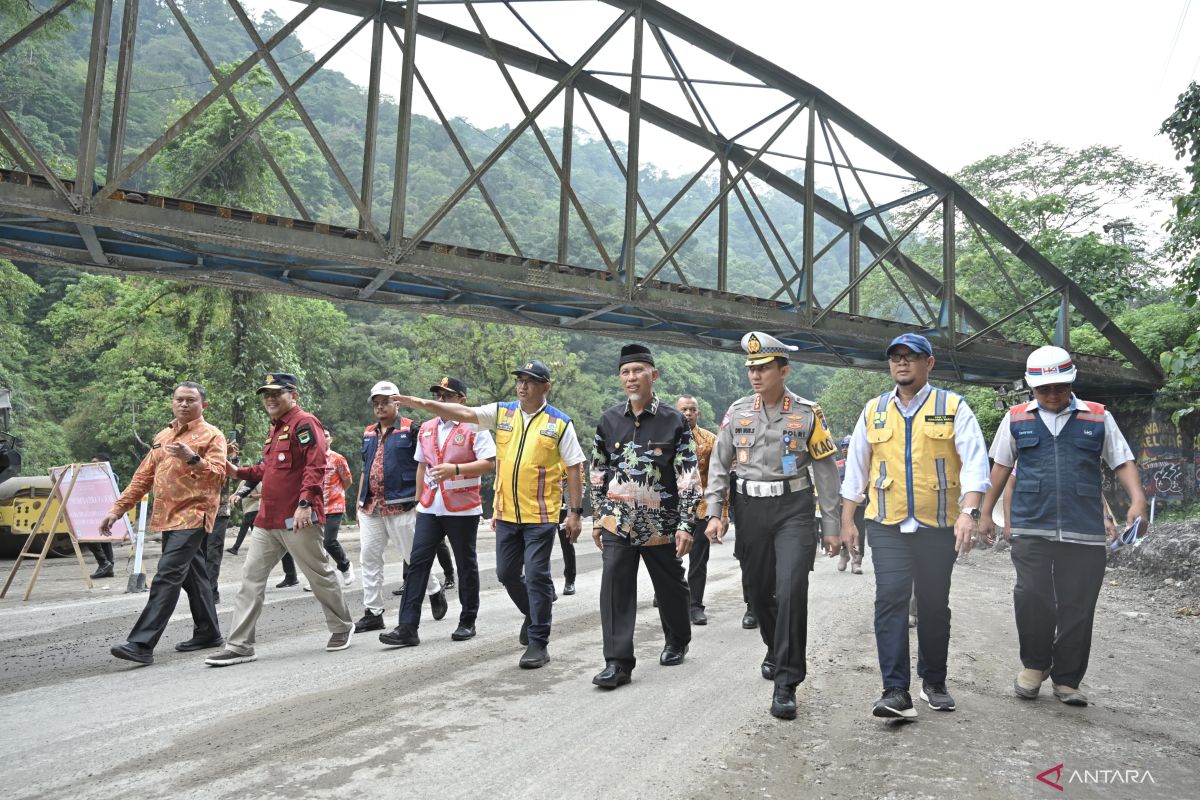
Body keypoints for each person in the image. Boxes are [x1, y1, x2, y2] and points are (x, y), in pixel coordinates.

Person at [978, 346, 1148, 707]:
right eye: (1043, 389)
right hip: (1031, 525)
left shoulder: (1099, 417)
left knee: (1078, 604)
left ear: (1071, 382)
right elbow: (1001, 468)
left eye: (1059, 387)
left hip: (1084, 528)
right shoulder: (1016, 418)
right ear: (1031, 388)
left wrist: (1138, 500)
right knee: (1031, 595)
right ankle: (1034, 666)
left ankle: (1067, 678)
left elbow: (1123, 461)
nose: (1052, 395)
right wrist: (984, 513)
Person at [390, 359, 586, 669]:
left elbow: (575, 467)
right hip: (506, 512)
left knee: (536, 576)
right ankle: (535, 611)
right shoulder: (502, 412)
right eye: (519, 380)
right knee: (506, 574)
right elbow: (464, 413)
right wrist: (418, 403)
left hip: (541, 514)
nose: (522, 386)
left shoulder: (560, 423)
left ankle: (538, 641)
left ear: (545, 387)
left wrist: (575, 512)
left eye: (530, 381)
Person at [839, 333, 991, 720]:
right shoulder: (874, 410)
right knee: (889, 598)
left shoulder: (953, 407)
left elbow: (976, 464)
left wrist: (968, 513)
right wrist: (847, 522)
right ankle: (894, 690)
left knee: (933, 603)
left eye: (911, 357)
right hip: (887, 523)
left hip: (938, 524)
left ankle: (934, 681)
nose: (902, 363)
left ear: (930, 363)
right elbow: (856, 469)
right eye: (895, 358)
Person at [704, 332, 842, 720]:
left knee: (792, 587)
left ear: (784, 369)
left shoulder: (808, 411)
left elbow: (825, 469)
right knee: (759, 592)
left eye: (764, 367)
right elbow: (719, 463)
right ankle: (774, 645)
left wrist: (831, 523)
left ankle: (787, 681)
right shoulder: (737, 411)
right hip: (751, 509)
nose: (755, 374)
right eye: (751, 368)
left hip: (794, 510)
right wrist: (716, 511)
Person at [204, 373, 355, 666]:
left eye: (277, 393)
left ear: (293, 395)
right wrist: (238, 473)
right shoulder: (275, 429)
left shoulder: (305, 423)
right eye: (266, 395)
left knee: (319, 574)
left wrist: (305, 504)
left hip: (298, 517)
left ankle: (342, 626)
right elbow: (269, 469)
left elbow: (316, 466)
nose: (270, 399)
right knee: (251, 578)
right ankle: (240, 645)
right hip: (266, 518)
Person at [588, 345, 699, 689]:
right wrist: (598, 517)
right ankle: (617, 663)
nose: (632, 377)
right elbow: (597, 472)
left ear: (654, 374)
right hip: (617, 522)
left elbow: (688, 476)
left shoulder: (674, 420)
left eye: (638, 370)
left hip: (661, 526)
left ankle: (678, 639)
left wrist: (685, 524)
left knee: (670, 587)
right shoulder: (608, 420)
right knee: (615, 588)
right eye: (625, 372)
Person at [102, 382, 227, 665]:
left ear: (203, 405)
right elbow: (143, 476)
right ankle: (208, 633)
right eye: (179, 399)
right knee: (194, 578)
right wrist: (117, 510)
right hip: (167, 517)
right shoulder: (163, 435)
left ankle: (142, 644)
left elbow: (219, 475)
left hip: (194, 514)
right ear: (172, 403)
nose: (184, 404)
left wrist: (193, 459)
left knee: (167, 575)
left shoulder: (212, 435)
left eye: (190, 400)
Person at [380, 377, 495, 646]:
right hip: (431, 507)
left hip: (462, 508)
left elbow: (488, 463)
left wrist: (455, 470)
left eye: (447, 395)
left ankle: (468, 620)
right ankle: (407, 627)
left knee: (465, 564)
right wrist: (419, 501)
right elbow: (421, 465)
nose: (441, 400)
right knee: (417, 563)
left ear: (461, 401)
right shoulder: (427, 428)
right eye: (438, 395)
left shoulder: (474, 426)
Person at [352, 381, 448, 634]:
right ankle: (373, 612)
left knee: (412, 558)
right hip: (371, 506)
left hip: (402, 504)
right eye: (376, 403)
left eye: (385, 402)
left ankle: (434, 589)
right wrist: (358, 502)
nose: (380, 407)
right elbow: (366, 467)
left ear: (397, 402)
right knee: (369, 558)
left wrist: (421, 500)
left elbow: (425, 465)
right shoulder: (368, 432)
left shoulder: (412, 429)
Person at [675, 394, 727, 625]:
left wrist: (722, 512)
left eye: (692, 409)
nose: (688, 413)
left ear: (698, 413)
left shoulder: (710, 440)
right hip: (672, 508)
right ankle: (671, 594)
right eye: (684, 409)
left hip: (702, 508)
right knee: (669, 557)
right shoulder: (664, 436)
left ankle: (695, 605)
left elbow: (720, 478)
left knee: (698, 559)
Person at [286, 427, 356, 591]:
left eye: (326, 436)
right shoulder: (309, 459)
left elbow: (347, 480)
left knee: (329, 541)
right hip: (314, 507)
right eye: (321, 436)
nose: (324, 439)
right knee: (315, 544)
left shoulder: (338, 458)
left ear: (331, 439)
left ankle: (345, 565)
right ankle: (319, 579)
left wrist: (336, 493)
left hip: (334, 506)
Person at [836, 435, 866, 575]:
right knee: (843, 528)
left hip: (859, 504)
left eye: (848, 446)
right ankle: (844, 553)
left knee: (859, 532)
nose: (846, 449)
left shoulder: (862, 463)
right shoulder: (838, 464)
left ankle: (857, 560)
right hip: (842, 503)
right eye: (843, 446)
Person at [86, 453, 118, 579]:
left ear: (104, 464)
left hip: (104, 511)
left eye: (95, 463)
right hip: (93, 511)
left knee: (91, 537)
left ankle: (104, 563)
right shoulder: (91, 477)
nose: (92, 466)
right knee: (102, 539)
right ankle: (108, 567)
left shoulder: (111, 476)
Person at [225, 477, 261, 555]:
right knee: (255, 531)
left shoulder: (256, 481)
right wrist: (230, 499)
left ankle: (235, 548)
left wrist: (250, 496)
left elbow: (263, 494)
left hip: (254, 509)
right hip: (247, 510)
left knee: (243, 529)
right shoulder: (242, 482)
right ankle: (259, 550)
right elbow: (236, 493)